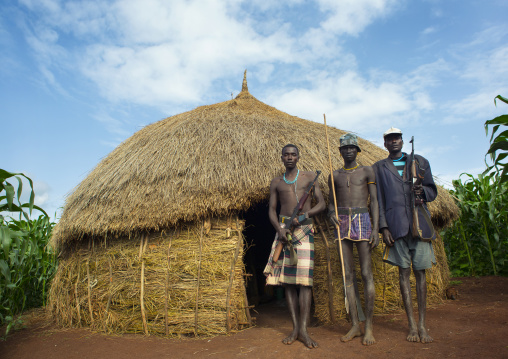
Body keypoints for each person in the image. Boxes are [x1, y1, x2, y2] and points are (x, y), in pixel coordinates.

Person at [372, 127, 437, 344]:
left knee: (420, 275)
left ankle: (422, 325)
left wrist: (422, 192)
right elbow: (378, 200)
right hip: (396, 226)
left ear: (401, 140)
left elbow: (432, 191)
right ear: (385, 144)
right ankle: (411, 325)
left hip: (419, 226)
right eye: (389, 139)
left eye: (397, 138)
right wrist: (383, 228)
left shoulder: (419, 162)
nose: (394, 142)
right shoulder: (379, 168)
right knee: (403, 275)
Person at [264, 144, 325, 349]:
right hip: (285, 231)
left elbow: (322, 204)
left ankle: (304, 330)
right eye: (286, 155)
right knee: (288, 282)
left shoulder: (308, 177)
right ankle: (295, 328)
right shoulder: (277, 182)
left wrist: (305, 215)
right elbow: (272, 210)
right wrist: (279, 229)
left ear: (298, 157)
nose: (289, 157)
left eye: (293, 154)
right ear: (281, 158)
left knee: (305, 282)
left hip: (305, 231)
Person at [328, 133, 379, 346]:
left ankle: (369, 327)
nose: (348, 151)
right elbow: (331, 203)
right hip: (343, 222)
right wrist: (331, 213)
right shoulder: (334, 175)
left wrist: (375, 228)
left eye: (352, 147)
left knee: (366, 273)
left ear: (357, 150)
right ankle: (355, 324)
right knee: (347, 275)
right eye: (344, 148)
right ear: (340, 151)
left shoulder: (367, 171)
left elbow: (374, 201)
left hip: (363, 219)